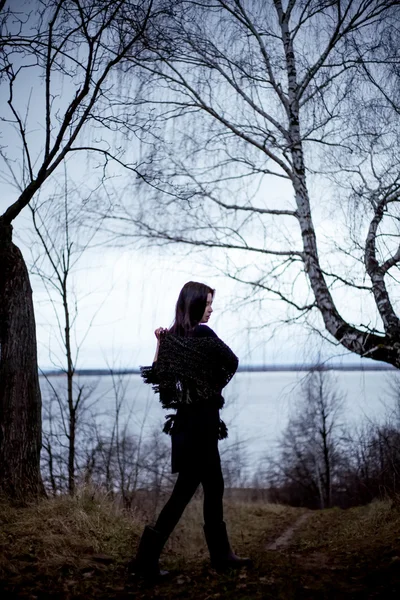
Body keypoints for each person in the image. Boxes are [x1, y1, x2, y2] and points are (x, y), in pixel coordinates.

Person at [133, 281, 251, 578]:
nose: (211, 309)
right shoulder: (204, 334)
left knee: (213, 486)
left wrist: (161, 343)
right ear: (195, 303)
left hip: (188, 426)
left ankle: (220, 555)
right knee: (185, 492)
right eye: (208, 304)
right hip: (201, 426)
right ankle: (148, 561)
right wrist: (208, 386)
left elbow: (159, 378)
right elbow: (232, 362)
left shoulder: (175, 337)